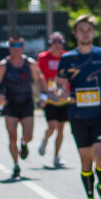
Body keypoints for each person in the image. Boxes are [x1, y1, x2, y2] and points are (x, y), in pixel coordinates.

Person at [56, 15, 101, 199]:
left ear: (93, 32)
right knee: (85, 161)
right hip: (78, 115)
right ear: (75, 33)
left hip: (99, 114)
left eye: (88, 29)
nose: (85, 33)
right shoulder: (67, 59)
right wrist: (61, 92)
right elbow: (59, 84)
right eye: (81, 30)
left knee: (100, 156)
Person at [0, 34, 44, 180]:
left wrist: (43, 95)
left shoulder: (30, 63)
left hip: (26, 101)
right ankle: (15, 165)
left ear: (23, 47)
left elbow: (39, 79)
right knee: (12, 136)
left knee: (29, 134)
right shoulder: (3, 65)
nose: (15, 49)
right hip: (11, 103)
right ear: (9, 48)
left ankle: (24, 143)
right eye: (13, 46)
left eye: (18, 46)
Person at [35, 31, 69, 168]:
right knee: (52, 126)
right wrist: (42, 93)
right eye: (54, 42)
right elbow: (39, 77)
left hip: (64, 97)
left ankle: (56, 156)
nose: (57, 45)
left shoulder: (67, 57)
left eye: (59, 41)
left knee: (61, 128)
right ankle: (45, 139)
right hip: (49, 97)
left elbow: (71, 75)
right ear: (50, 44)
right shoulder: (43, 57)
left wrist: (68, 90)